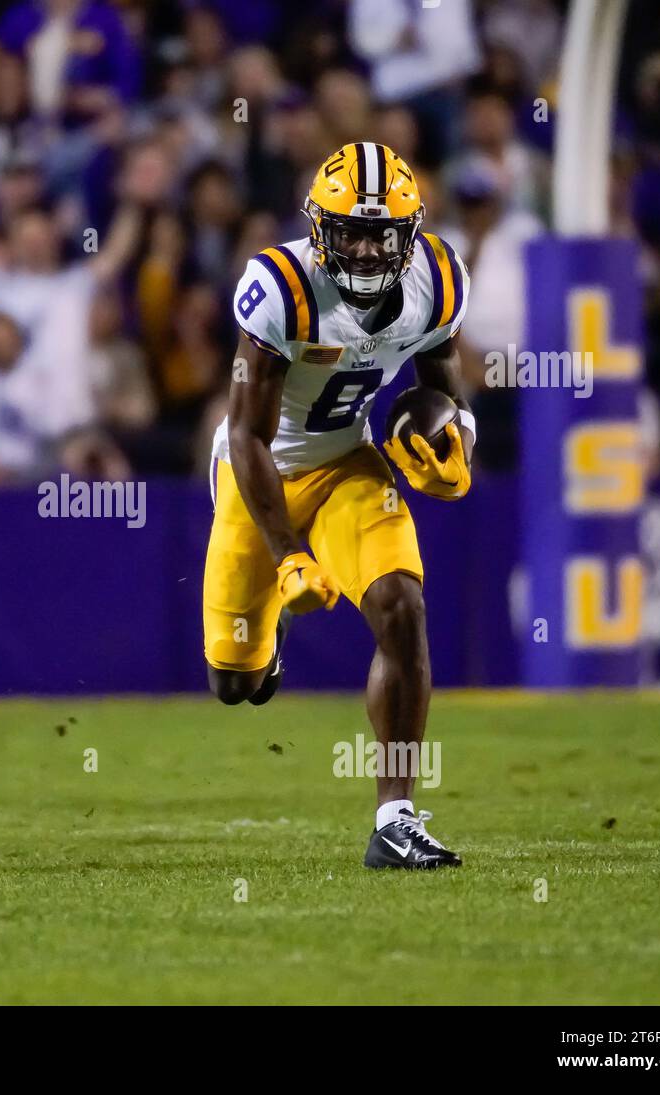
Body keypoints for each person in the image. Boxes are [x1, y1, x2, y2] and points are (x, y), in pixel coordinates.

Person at [203, 141, 473, 869]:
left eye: (378, 233)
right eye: (346, 229)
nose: (359, 246)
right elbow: (247, 435)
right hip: (257, 475)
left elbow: (444, 378)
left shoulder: (437, 280)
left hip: (348, 463)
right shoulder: (282, 287)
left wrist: (458, 438)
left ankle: (395, 817)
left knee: (401, 606)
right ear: (319, 227)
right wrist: (289, 553)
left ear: (407, 235)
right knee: (234, 682)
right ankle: (267, 653)